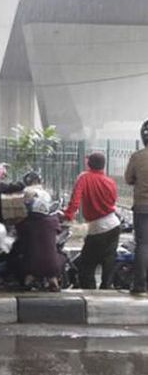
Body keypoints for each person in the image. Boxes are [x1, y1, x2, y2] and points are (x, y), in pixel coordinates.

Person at [62, 152, 120, 289]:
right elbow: (112, 201)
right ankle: (106, 289)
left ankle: (91, 293)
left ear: (89, 164)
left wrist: (68, 215)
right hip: (114, 225)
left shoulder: (84, 178)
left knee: (86, 266)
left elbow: (75, 200)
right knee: (108, 261)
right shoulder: (110, 182)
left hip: (97, 228)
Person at [15, 188, 64, 291]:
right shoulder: (52, 221)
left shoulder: (25, 223)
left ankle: (28, 280)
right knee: (60, 257)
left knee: (22, 259)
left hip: (32, 266)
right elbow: (58, 230)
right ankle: (53, 280)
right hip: (53, 266)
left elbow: (18, 236)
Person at [124, 120, 148, 296]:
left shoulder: (137, 157)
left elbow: (128, 179)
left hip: (141, 207)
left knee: (143, 245)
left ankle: (140, 284)